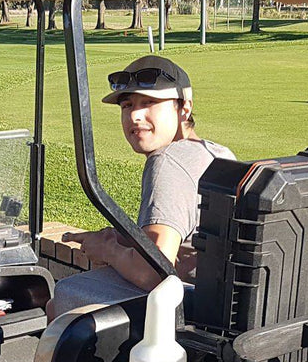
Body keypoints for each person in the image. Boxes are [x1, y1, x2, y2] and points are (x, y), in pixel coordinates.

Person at [49, 55, 234, 318]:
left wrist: (107, 250)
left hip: (188, 317)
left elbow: (154, 272)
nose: (135, 115)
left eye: (149, 103)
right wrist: (116, 237)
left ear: (185, 108)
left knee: (59, 303)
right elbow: (187, 237)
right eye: (127, 106)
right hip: (217, 309)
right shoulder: (217, 153)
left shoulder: (167, 162)